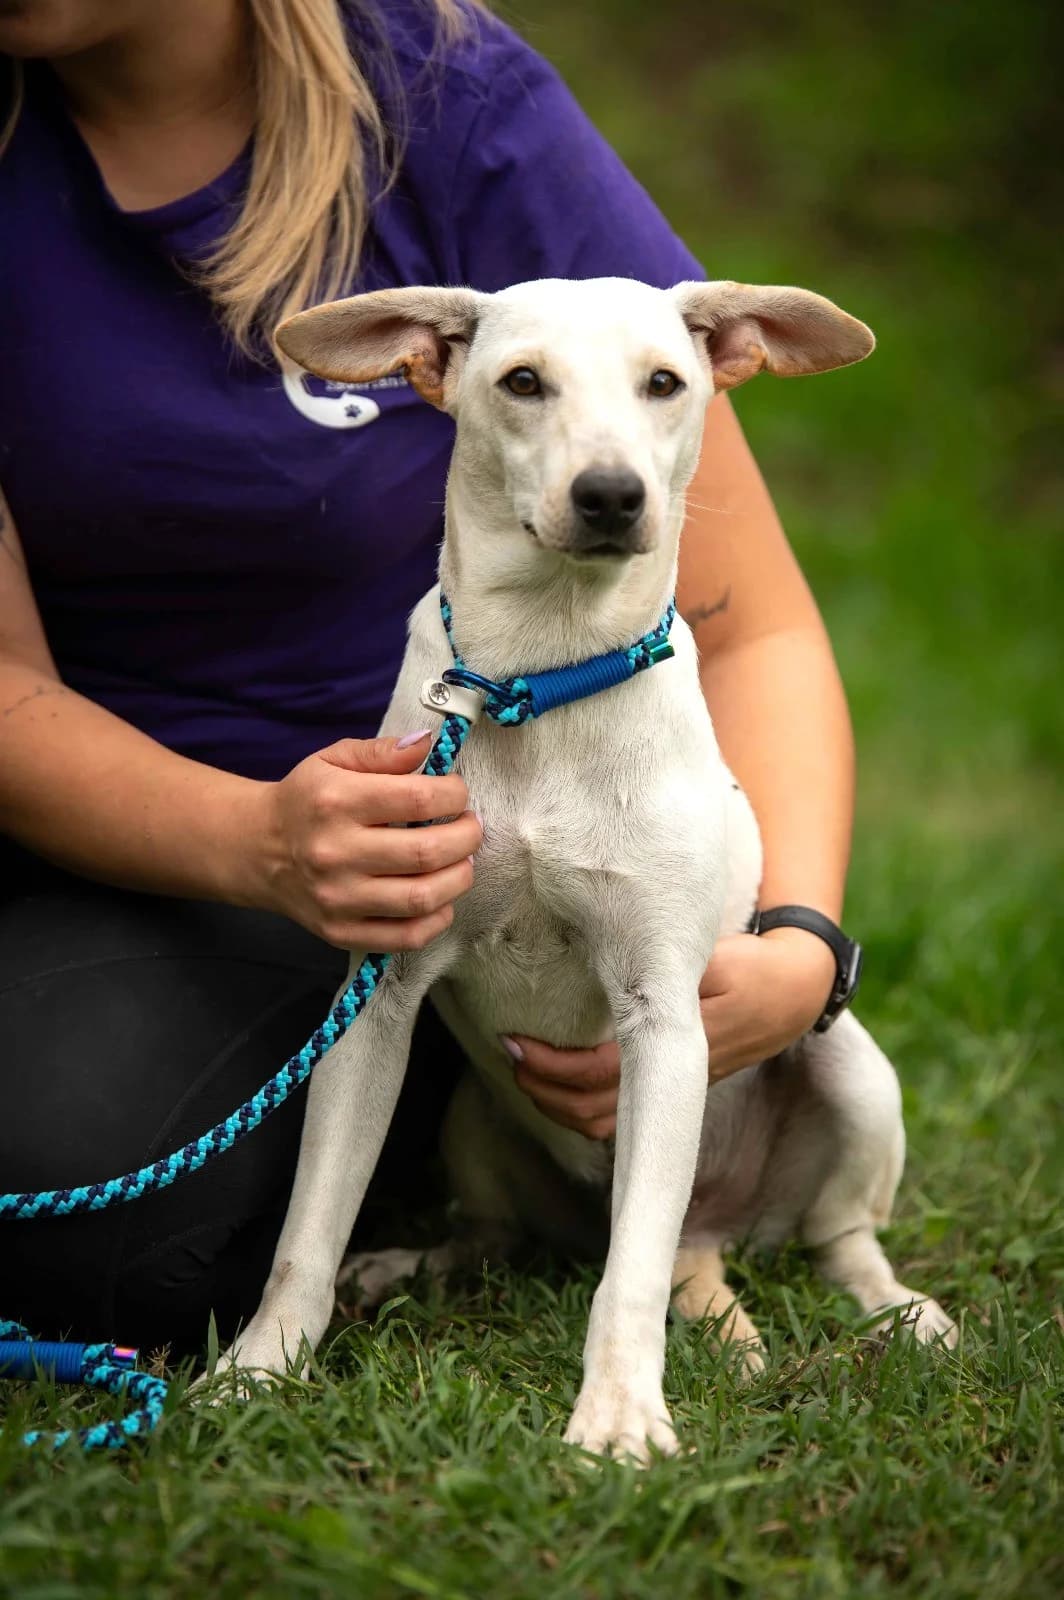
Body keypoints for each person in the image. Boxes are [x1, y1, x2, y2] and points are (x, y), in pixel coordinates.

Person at [0, 0, 853, 1355]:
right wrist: (255, 841)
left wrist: (801, 945)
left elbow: (752, 627)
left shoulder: (450, 101)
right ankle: (397, 1150)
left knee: (99, 1212)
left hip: (441, 831)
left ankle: (462, 1121)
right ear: (441, 369)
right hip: (123, 841)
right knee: (55, 1208)